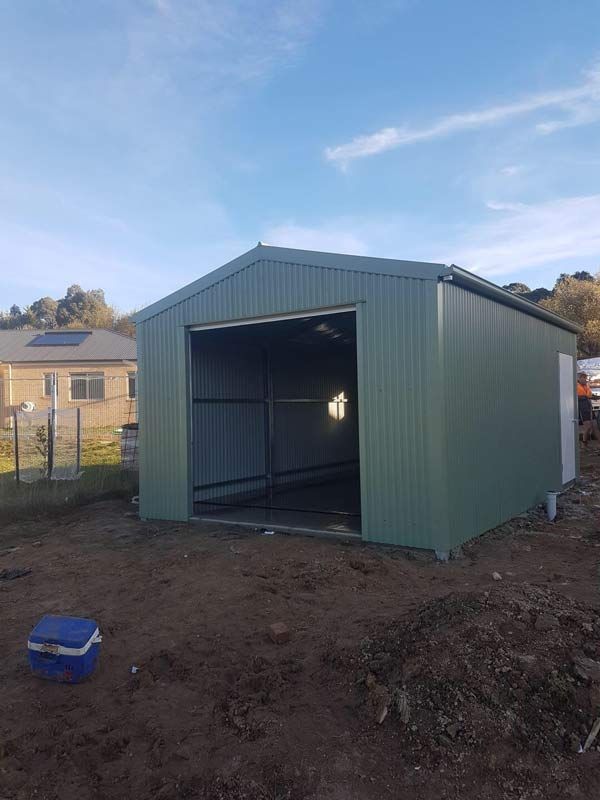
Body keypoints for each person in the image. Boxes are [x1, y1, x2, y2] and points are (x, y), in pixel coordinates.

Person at [577, 372, 600, 448]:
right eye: (583, 377)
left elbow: (589, 395)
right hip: (582, 409)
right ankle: (584, 443)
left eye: (585, 377)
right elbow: (576, 397)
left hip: (589, 408)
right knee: (588, 426)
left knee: (595, 426)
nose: (584, 379)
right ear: (578, 378)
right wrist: (587, 398)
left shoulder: (587, 386)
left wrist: (594, 396)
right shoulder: (575, 386)